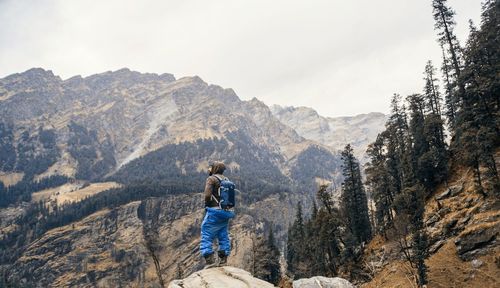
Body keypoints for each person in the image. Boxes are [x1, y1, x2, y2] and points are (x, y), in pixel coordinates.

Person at [200, 161, 235, 268]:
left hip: (215, 211)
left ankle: (209, 260)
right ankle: (223, 259)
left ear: (214, 169)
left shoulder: (211, 179)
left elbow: (207, 195)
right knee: (223, 235)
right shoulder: (226, 180)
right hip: (226, 212)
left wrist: (207, 205)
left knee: (206, 233)